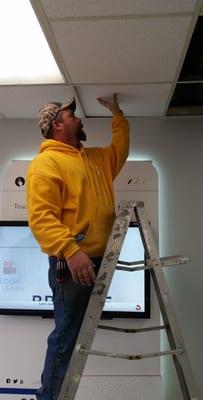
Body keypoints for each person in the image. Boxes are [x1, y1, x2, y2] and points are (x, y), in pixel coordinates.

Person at [26, 93, 129, 400]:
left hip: (98, 259)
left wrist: (117, 114)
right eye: (72, 116)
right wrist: (71, 251)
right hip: (73, 264)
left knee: (76, 336)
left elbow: (120, 151)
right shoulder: (46, 163)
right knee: (67, 337)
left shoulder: (95, 158)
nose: (79, 118)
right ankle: (48, 398)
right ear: (57, 125)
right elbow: (41, 219)